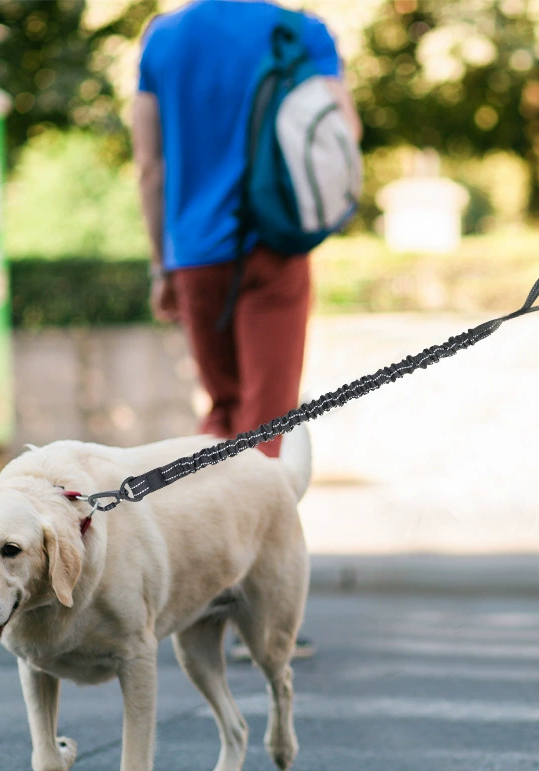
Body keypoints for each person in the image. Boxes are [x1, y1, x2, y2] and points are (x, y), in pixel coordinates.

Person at [131, 0, 361, 462]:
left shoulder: (162, 37)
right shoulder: (300, 31)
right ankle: (255, 532)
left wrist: (161, 269)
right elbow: (343, 131)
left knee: (222, 413)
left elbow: (149, 165)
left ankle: (206, 529)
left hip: (194, 253)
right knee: (267, 424)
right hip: (273, 243)